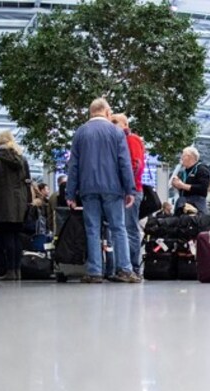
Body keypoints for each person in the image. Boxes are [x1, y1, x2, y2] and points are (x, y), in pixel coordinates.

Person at [66, 98, 140, 283]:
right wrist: (130, 189)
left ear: (90, 112)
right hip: (113, 188)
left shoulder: (80, 133)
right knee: (118, 228)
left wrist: (70, 193)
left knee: (92, 229)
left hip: (88, 188)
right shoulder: (116, 132)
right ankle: (124, 269)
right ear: (107, 113)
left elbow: (73, 165)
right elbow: (124, 162)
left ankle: (95, 272)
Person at [0, 131, 30, 281]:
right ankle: (17, 270)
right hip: (20, 203)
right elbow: (27, 181)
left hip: (2, 202)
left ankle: (9, 270)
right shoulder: (22, 159)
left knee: (5, 236)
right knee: (16, 237)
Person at [111, 113, 145, 274]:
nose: (112, 124)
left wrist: (127, 187)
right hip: (127, 190)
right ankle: (126, 266)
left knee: (129, 228)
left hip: (131, 191)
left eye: (115, 122)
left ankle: (132, 267)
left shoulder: (131, 140)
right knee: (124, 228)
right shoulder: (121, 141)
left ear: (125, 124)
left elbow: (136, 165)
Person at [171, 146, 210, 215]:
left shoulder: (201, 169)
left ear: (189, 157)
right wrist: (176, 184)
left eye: (183, 156)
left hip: (196, 206)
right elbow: (182, 187)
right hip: (183, 204)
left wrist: (183, 185)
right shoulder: (184, 172)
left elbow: (203, 188)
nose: (181, 159)